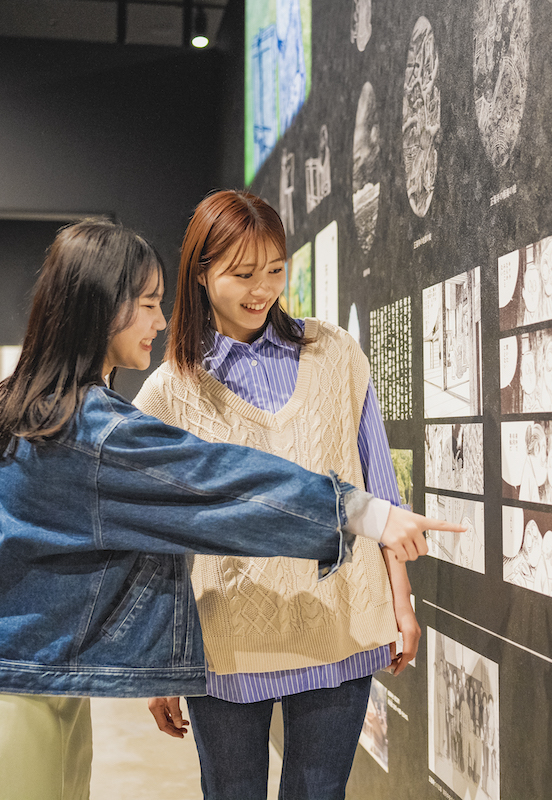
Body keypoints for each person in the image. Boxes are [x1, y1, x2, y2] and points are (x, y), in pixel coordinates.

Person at [0, 219, 460, 800]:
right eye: (149, 304)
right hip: (15, 684)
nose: (160, 319)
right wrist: (366, 514)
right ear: (103, 307)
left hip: (33, 675)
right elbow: (220, 483)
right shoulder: (92, 428)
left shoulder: (56, 405)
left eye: (274, 269)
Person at [132, 190, 418, 799]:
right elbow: (153, 541)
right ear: (202, 273)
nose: (262, 289)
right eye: (242, 274)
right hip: (227, 638)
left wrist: (401, 600)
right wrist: (155, 655)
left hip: (338, 618)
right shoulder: (170, 392)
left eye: (274, 270)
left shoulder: (335, 353)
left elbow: (377, 488)